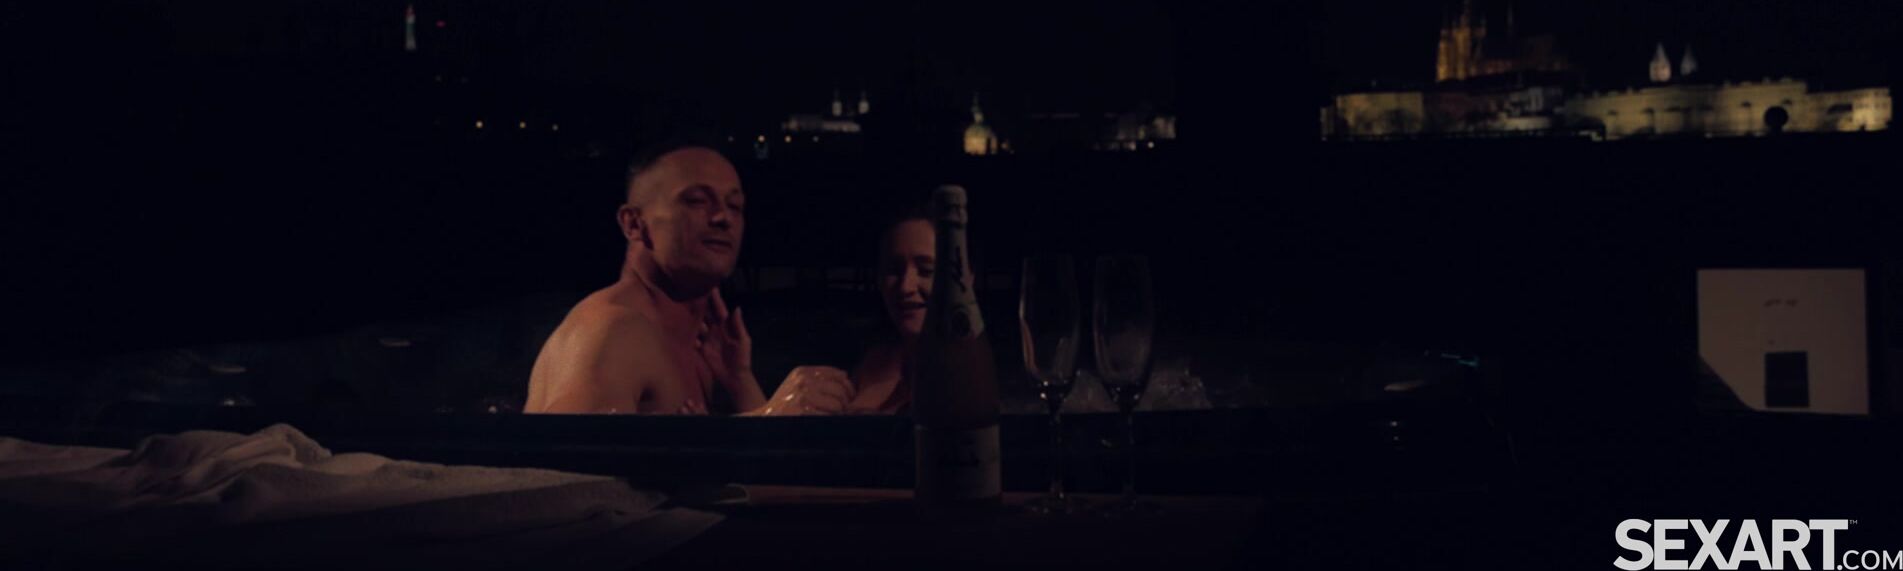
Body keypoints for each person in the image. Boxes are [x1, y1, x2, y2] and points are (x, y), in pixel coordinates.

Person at [523, 141, 855, 415]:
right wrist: (770, 416)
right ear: (634, 224)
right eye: (696, 201)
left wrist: (740, 381)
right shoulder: (614, 330)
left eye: (735, 206)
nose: (722, 217)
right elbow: (567, 463)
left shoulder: (702, 347)